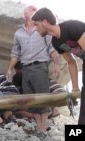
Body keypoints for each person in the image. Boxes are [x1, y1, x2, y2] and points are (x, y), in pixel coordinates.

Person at [6, 5, 60, 133]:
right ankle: (39, 125)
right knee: (31, 98)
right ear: (25, 14)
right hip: (25, 68)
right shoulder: (18, 33)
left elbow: (51, 48)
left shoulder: (42, 28)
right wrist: (9, 68)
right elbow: (15, 53)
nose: (33, 9)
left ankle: (43, 125)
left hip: (40, 66)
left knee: (43, 96)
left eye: (35, 9)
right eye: (31, 8)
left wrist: (57, 65)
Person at [32, 7, 85, 124]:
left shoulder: (72, 27)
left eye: (36, 24)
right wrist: (75, 87)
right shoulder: (56, 42)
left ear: (45, 22)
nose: (35, 29)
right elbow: (71, 62)